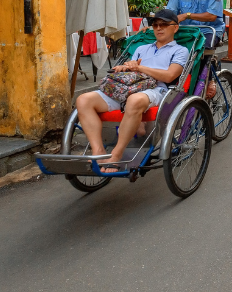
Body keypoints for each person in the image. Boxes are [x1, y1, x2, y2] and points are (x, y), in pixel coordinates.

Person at [75, 9, 189, 171]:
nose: (158, 28)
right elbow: (131, 70)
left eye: (164, 24)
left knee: (134, 100)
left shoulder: (179, 50)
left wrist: (140, 68)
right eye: (155, 25)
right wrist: (124, 67)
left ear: (175, 28)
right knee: (83, 100)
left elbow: (170, 76)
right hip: (130, 86)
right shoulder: (142, 49)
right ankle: (98, 151)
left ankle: (116, 154)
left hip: (157, 89)